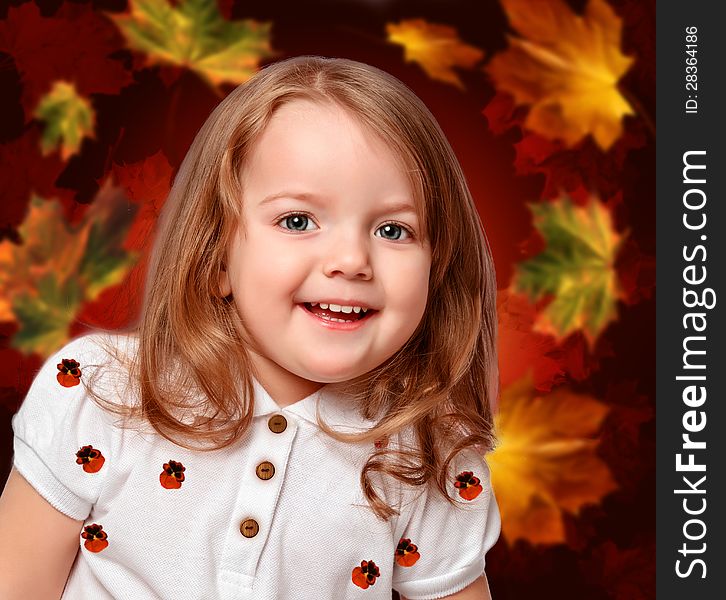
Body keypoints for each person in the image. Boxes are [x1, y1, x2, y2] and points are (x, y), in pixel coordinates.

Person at [0, 56, 501, 599]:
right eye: (297, 221)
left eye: (392, 229)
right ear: (216, 257)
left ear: (438, 266)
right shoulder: (104, 393)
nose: (352, 259)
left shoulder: (428, 459)